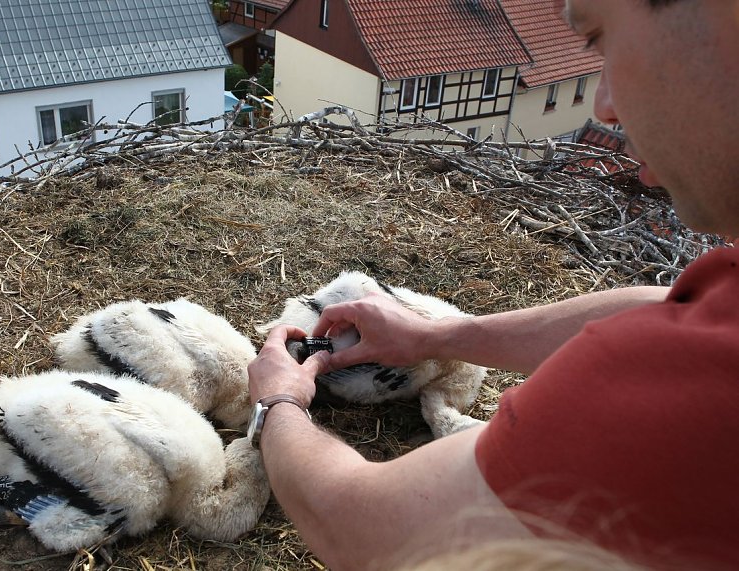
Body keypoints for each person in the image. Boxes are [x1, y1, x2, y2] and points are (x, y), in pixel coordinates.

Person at [247, 1, 739, 569]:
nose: (602, 106)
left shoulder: (692, 379)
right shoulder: (713, 313)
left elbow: (370, 535)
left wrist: (277, 403)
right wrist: (438, 337)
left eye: (601, 40)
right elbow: (665, 308)